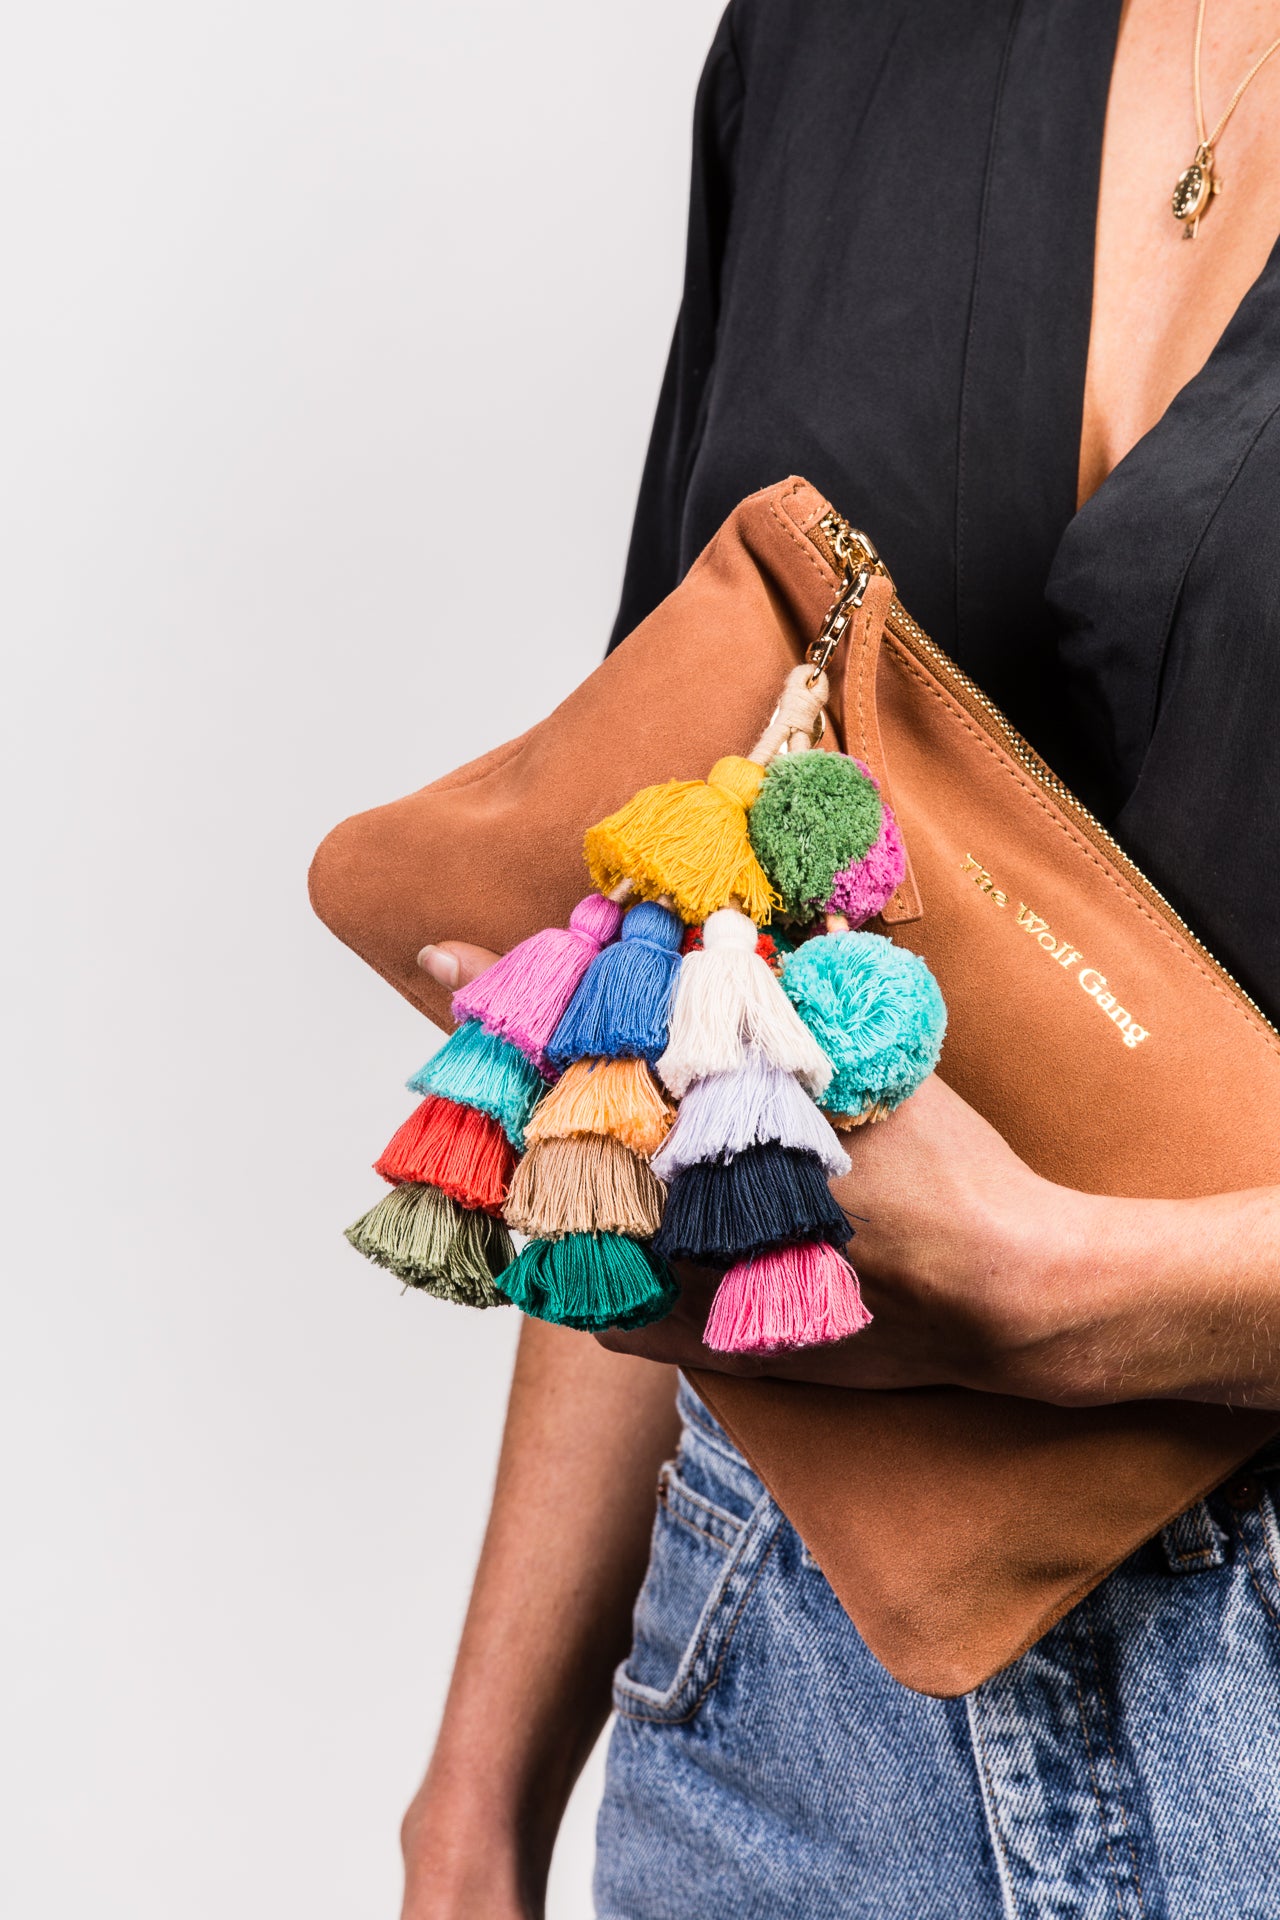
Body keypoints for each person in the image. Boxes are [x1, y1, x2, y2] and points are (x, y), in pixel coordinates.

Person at [399, 1, 1280, 1913]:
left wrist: (1070, 1290)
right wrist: (474, 1799)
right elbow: (679, 937)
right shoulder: (835, 34)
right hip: (778, 1700)